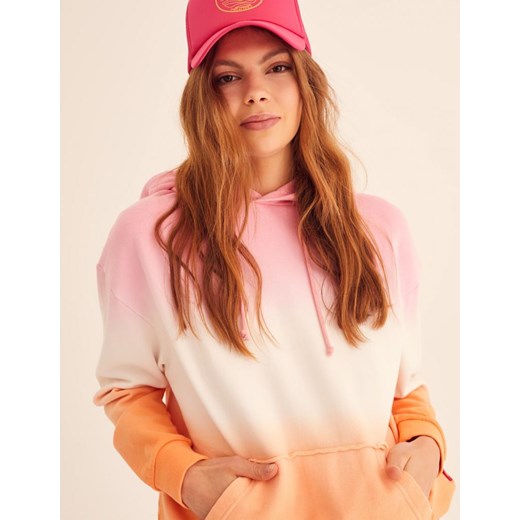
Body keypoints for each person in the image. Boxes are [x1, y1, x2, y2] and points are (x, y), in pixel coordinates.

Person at [93, 0, 455, 518]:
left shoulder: (379, 230)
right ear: (202, 98)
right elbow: (128, 390)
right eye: (228, 77)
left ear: (306, 82)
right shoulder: (152, 238)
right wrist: (187, 477)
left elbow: (406, 385)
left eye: (277, 67)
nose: (255, 91)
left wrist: (427, 444)